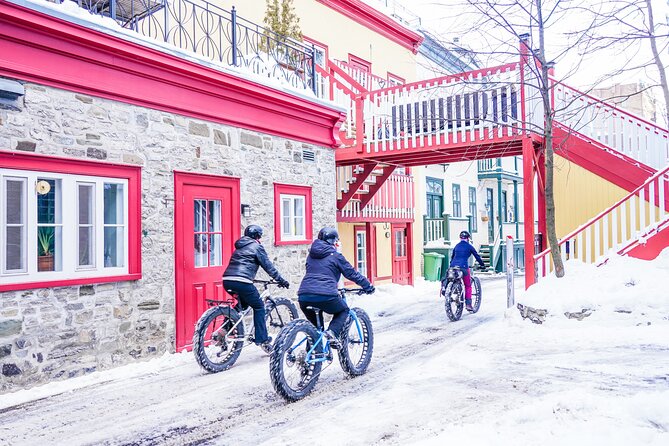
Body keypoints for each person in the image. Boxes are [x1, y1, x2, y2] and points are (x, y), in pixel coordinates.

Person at [297, 227, 375, 347]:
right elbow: (352, 274)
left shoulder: (311, 256)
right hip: (326, 295)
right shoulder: (336, 256)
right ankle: (332, 333)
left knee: (315, 329)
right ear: (334, 242)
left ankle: (311, 360)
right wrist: (367, 285)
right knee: (344, 310)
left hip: (304, 295)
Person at [222, 224, 290, 353]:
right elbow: (268, 266)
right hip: (242, 282)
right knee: (259, 306)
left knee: (242, 304)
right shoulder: (257, 247)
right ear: (258, 236)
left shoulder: (239, 247)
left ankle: (224, 329)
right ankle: (262, 339)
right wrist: (281, 280)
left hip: (227, 280)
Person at [448, 230, 485, 312]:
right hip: (463, 267)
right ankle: (468, 304)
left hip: (453, 266)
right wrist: (482, 265)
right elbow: (477, 256)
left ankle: (452, 292)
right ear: (468, 238)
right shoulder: (469, 246)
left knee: (454, 279)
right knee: (468, 285)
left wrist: (452, 265)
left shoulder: (457, 246)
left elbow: (452, 257)